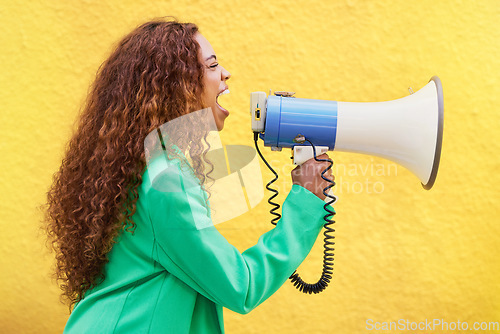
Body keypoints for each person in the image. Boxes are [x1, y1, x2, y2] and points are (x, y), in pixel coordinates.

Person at [44, 18, 334, 333]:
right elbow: (241, 286)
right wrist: (307, 200)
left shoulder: (143, 164)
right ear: (177, 84)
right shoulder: (166, 177)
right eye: (211, 66)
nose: (225, 74)